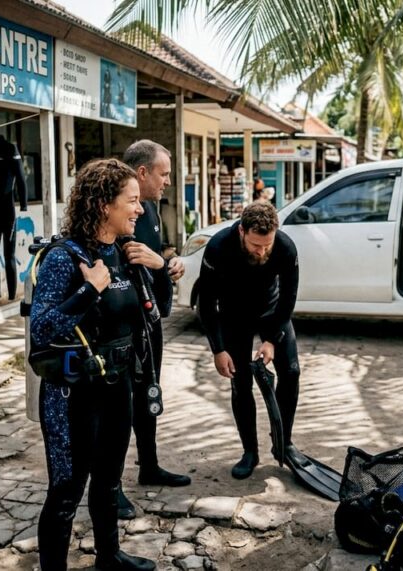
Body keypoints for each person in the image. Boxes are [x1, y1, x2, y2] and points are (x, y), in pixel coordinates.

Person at [29, 159, 155, 571]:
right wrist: (88, 290)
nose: (139, 209)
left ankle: (109, 556)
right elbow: (42, 327)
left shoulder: (123, 252)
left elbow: (154, 315)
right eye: (131, 201)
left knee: (109, 479)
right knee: (66, 491)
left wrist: (159, 267)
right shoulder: (63, 258)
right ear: (104, 205)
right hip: (72, 393)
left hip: (117, 384)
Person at [198, 202, 300, 479]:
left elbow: (289, 298)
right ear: (242, 231)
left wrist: (272, 340)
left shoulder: (285, 247)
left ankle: (284, 443)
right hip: (234, 316)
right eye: (256, 245)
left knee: (291, 372)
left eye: (267, 245)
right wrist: (218, 349)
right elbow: (206, 303)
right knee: (241, 382)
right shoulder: (218, 247)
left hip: (272, 310)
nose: (262, 251)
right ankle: (250, 452)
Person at [117, 140, 190, 519]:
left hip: (151, 319)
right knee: (120, 404)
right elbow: (124, 262)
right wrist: (156, 264)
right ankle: (110, 486)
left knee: (149, 393)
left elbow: (152, 254)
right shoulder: (119, 209)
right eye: (164, 174)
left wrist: (169, 262)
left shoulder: (150, 208)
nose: (168, 182)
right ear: (142, 172)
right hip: (123, 324)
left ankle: (149, 465)